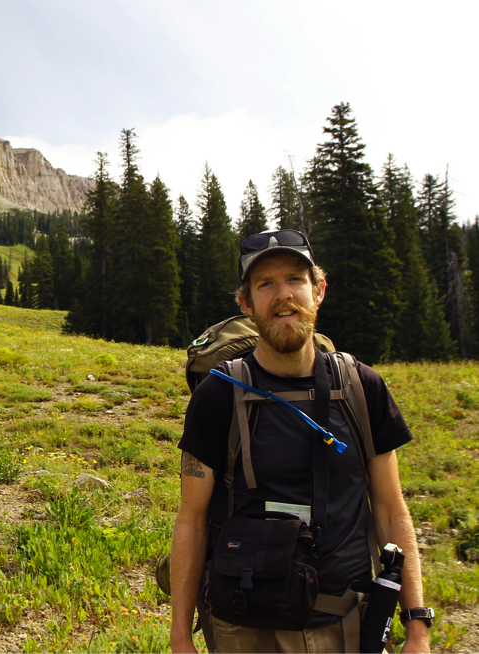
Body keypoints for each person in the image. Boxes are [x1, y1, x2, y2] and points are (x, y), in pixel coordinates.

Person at [170, 230, 431, 654]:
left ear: (319, 289)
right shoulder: (217, 396)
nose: (282, 295)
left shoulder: (362, 387)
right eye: (265, 284)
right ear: (246, 303)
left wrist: (416, 623)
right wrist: (180, 635)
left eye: (295, 279)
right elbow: (191, 519)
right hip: (245, 628)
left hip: (349, 626)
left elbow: (389, 507)